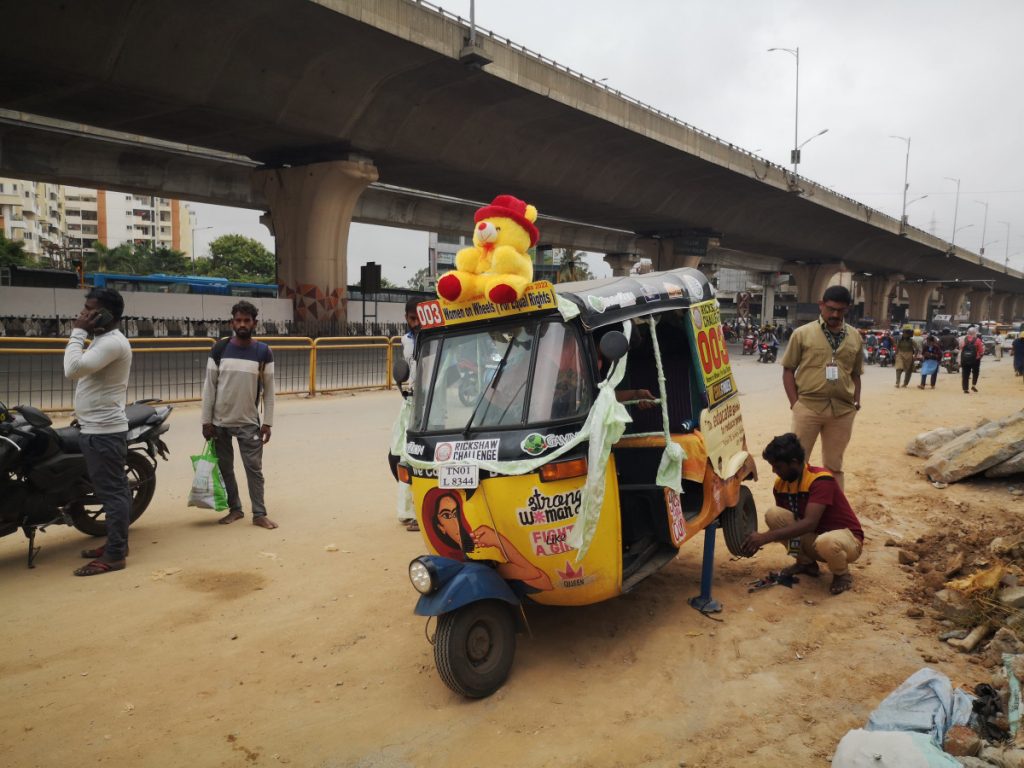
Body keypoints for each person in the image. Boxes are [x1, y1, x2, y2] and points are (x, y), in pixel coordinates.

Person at [63, 287, 133, 576]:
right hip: (94, 427)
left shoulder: (112, 343)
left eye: (90, 309)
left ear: (106, 313)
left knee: (112, 493)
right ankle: (116, 544)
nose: (84, 314)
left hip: (104, 431)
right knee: (110, 490)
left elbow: (73, 369)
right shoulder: (103, 340)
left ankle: (115, 555)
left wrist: (78, 332)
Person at [741, 433, 864, 595]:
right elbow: (789, 529)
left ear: (793, 463)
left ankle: (842, 574)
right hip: (816, 539)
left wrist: (765, 538)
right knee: (774, 515)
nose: (773, 471)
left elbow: (810, 523)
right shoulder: (781, 484)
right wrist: (758, 541)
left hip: (847, 541)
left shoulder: (820, 480)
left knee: (826, 541)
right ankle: (805, 563)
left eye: (777, 466)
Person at [200, 301, 278, 529]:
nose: (242, 324)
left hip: (249, 423)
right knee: (226, 468)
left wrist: (268, 423)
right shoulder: (219, 349)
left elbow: (269, 391)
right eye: (238, 320)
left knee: (254, 469)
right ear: (232, 322)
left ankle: (259, 513)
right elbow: (209, 388)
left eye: (247, 320)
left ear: (255, 323)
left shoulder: (263, 351)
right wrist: (206, 422)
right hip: (219, 423)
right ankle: (235, 509)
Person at [780, 285, 863, 490]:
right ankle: (794, 509)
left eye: (840, 310)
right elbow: (788, 370)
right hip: (808, 407)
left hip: (842, 411)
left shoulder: (855, 337)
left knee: (834, 466)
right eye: (831, 309)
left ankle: (833, 512)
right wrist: (795, 405)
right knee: (797, 462)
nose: (835, 314)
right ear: (821, 305)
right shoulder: (802, 334)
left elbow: (856, 373)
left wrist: (856, 401)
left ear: (847, 309)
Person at [960, 326, 985, 394]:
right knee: (975, 372)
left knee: (965, 374)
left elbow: (961, 348)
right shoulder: (977, 340)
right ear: (975, 333)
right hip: (975, 359)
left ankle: (965, 389)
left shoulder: (963, 339)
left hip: (965, 359)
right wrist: (980, 356)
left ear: (968, 332)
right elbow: (981, 351)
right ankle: (973, 385)